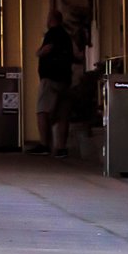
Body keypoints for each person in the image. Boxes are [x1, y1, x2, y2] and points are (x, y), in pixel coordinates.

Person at [37, 10, 77, 158]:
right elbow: (74, 56)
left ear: (51, 19)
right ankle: (61, 148)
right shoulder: (67, 37)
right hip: (65, 79)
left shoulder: (51, 35)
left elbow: (44, 51)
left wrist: (39, 53)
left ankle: (44, 144)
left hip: (50, 79)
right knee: (63, 114)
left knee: (42, 111)